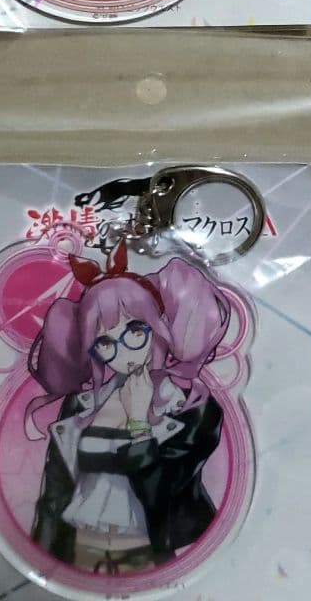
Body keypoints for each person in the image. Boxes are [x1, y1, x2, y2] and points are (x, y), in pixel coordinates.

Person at [26, 244, 230, 572]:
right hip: (79, 550)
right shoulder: (81, 405)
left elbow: (163, 489)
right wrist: (39, 566)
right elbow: (54, 497)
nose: (123, 352)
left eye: (135, 332)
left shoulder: (193, 408)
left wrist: (138, 423)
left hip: (143, 553)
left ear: (159, 325)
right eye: (105, 342)